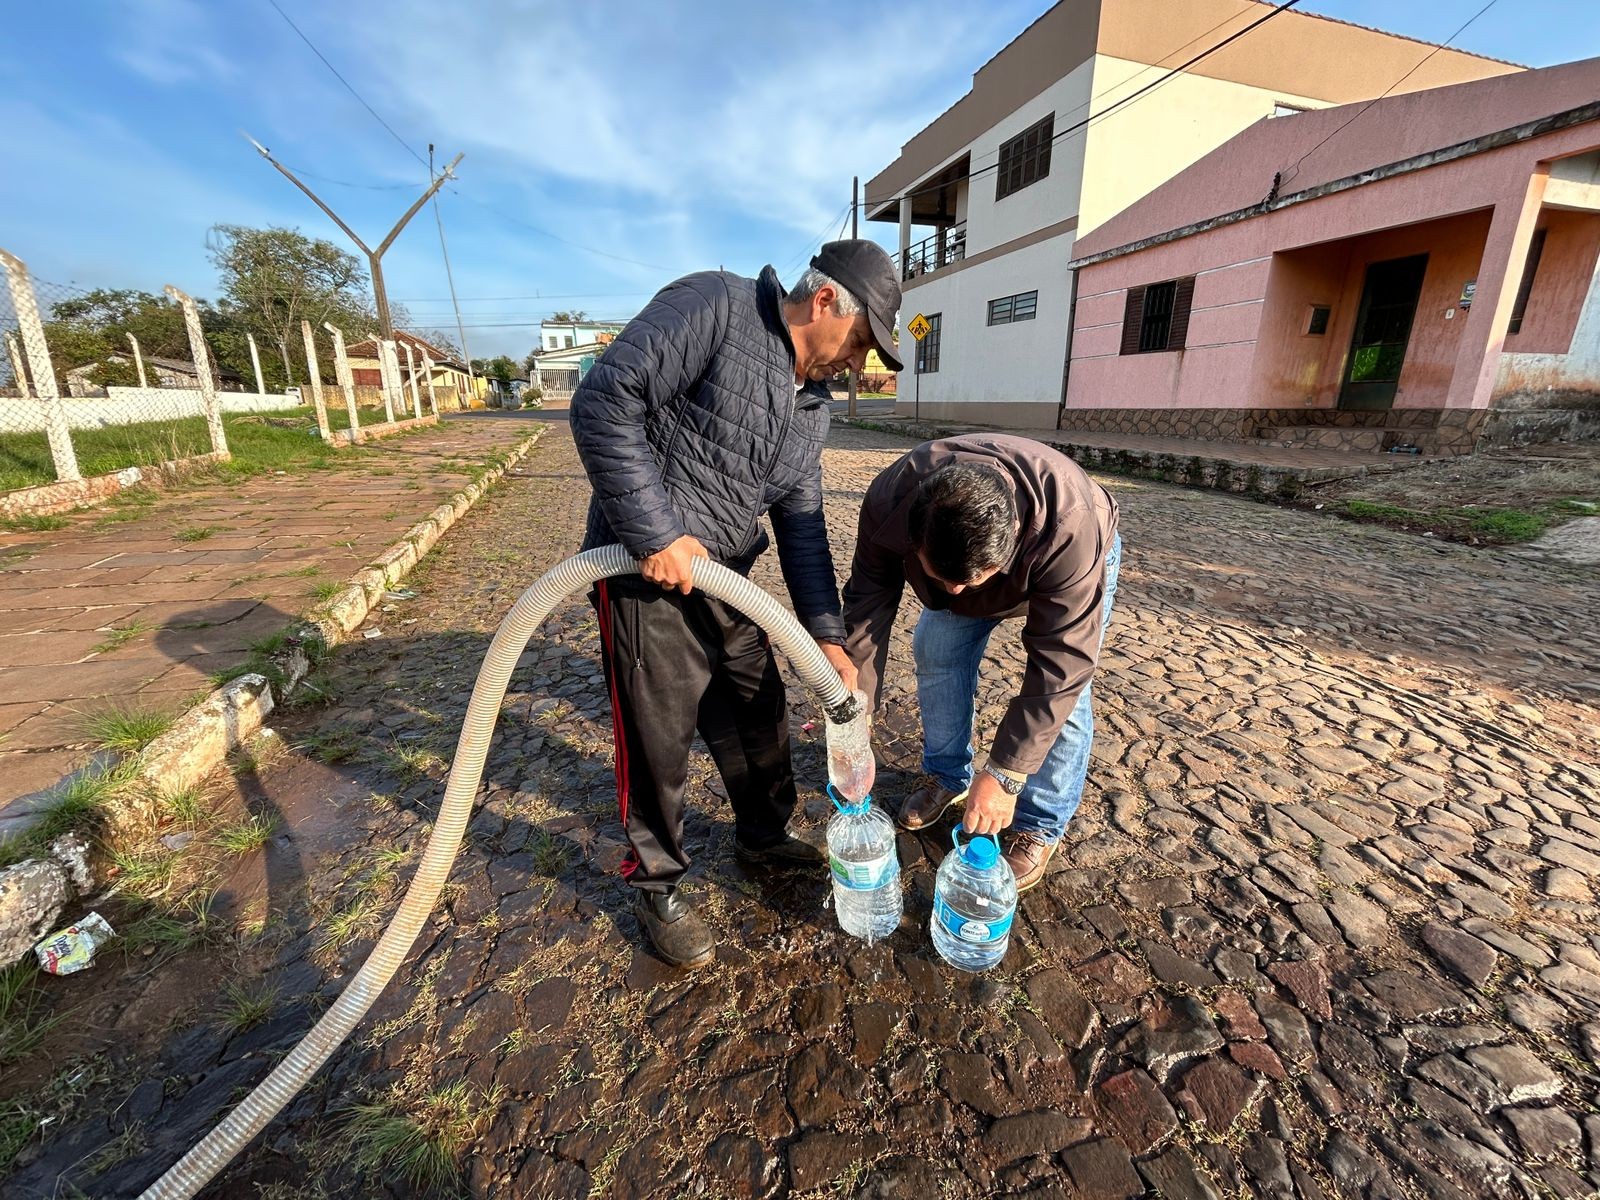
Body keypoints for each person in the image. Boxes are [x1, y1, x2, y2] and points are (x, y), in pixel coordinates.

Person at [570, 240, 903, 967]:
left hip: (729, 579)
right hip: (641, 574)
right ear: (824, 303)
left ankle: (762, 836)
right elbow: (603, 400)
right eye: (859, 344)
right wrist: (656, 532)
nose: (856, 366)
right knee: (656, 740)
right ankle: (657, 883)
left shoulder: (809, 408)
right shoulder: (715, 307)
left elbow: (803, 528)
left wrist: (829, 641)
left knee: (758, 709)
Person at [841, 434, 1121, 891]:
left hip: (1071, 558)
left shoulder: (1067, 526)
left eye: (971, 582)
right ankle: (947, 774)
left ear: (1008, 542)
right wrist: (857, 708)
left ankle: (1038, 823)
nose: (955, 594)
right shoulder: (891, 499)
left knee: (1069, 700)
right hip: (969, 549)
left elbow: (1060, 668)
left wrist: (1007, 774)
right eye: (943, 579)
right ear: (915, 539)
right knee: (936, 648)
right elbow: (867, 606)